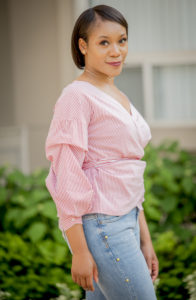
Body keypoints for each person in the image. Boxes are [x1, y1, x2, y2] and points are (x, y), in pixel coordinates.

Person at [45, 4, 159, 300]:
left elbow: (128, 171)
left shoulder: (116, 94)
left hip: (127, 220)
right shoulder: (76, 97)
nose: (116, 51)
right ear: (83, 46)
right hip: (102, 226)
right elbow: (66, 175)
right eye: (104, 42)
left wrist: (145, 239)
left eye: (122, 40)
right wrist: (80, 251)